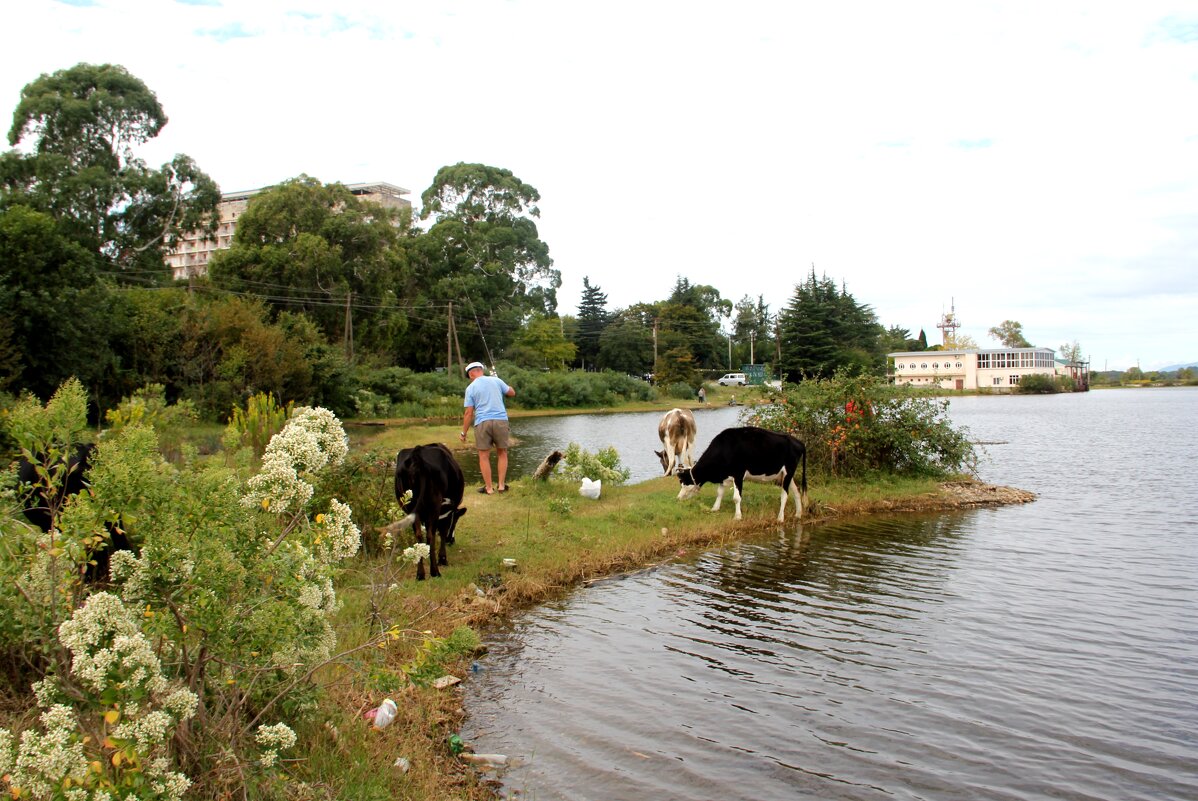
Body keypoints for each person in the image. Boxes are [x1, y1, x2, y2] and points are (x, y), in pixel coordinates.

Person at [460, 361, 516, 495]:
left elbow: (469, 413)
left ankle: (489, 488)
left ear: (471, 374)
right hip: (501, 421)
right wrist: (503, 383)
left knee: (483, 456)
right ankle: (501, 486)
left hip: (482, 422)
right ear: (480, 370)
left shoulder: (470, 388)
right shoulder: (496, 380)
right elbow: (512, 393)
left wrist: (464, 432)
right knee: (502, 453)